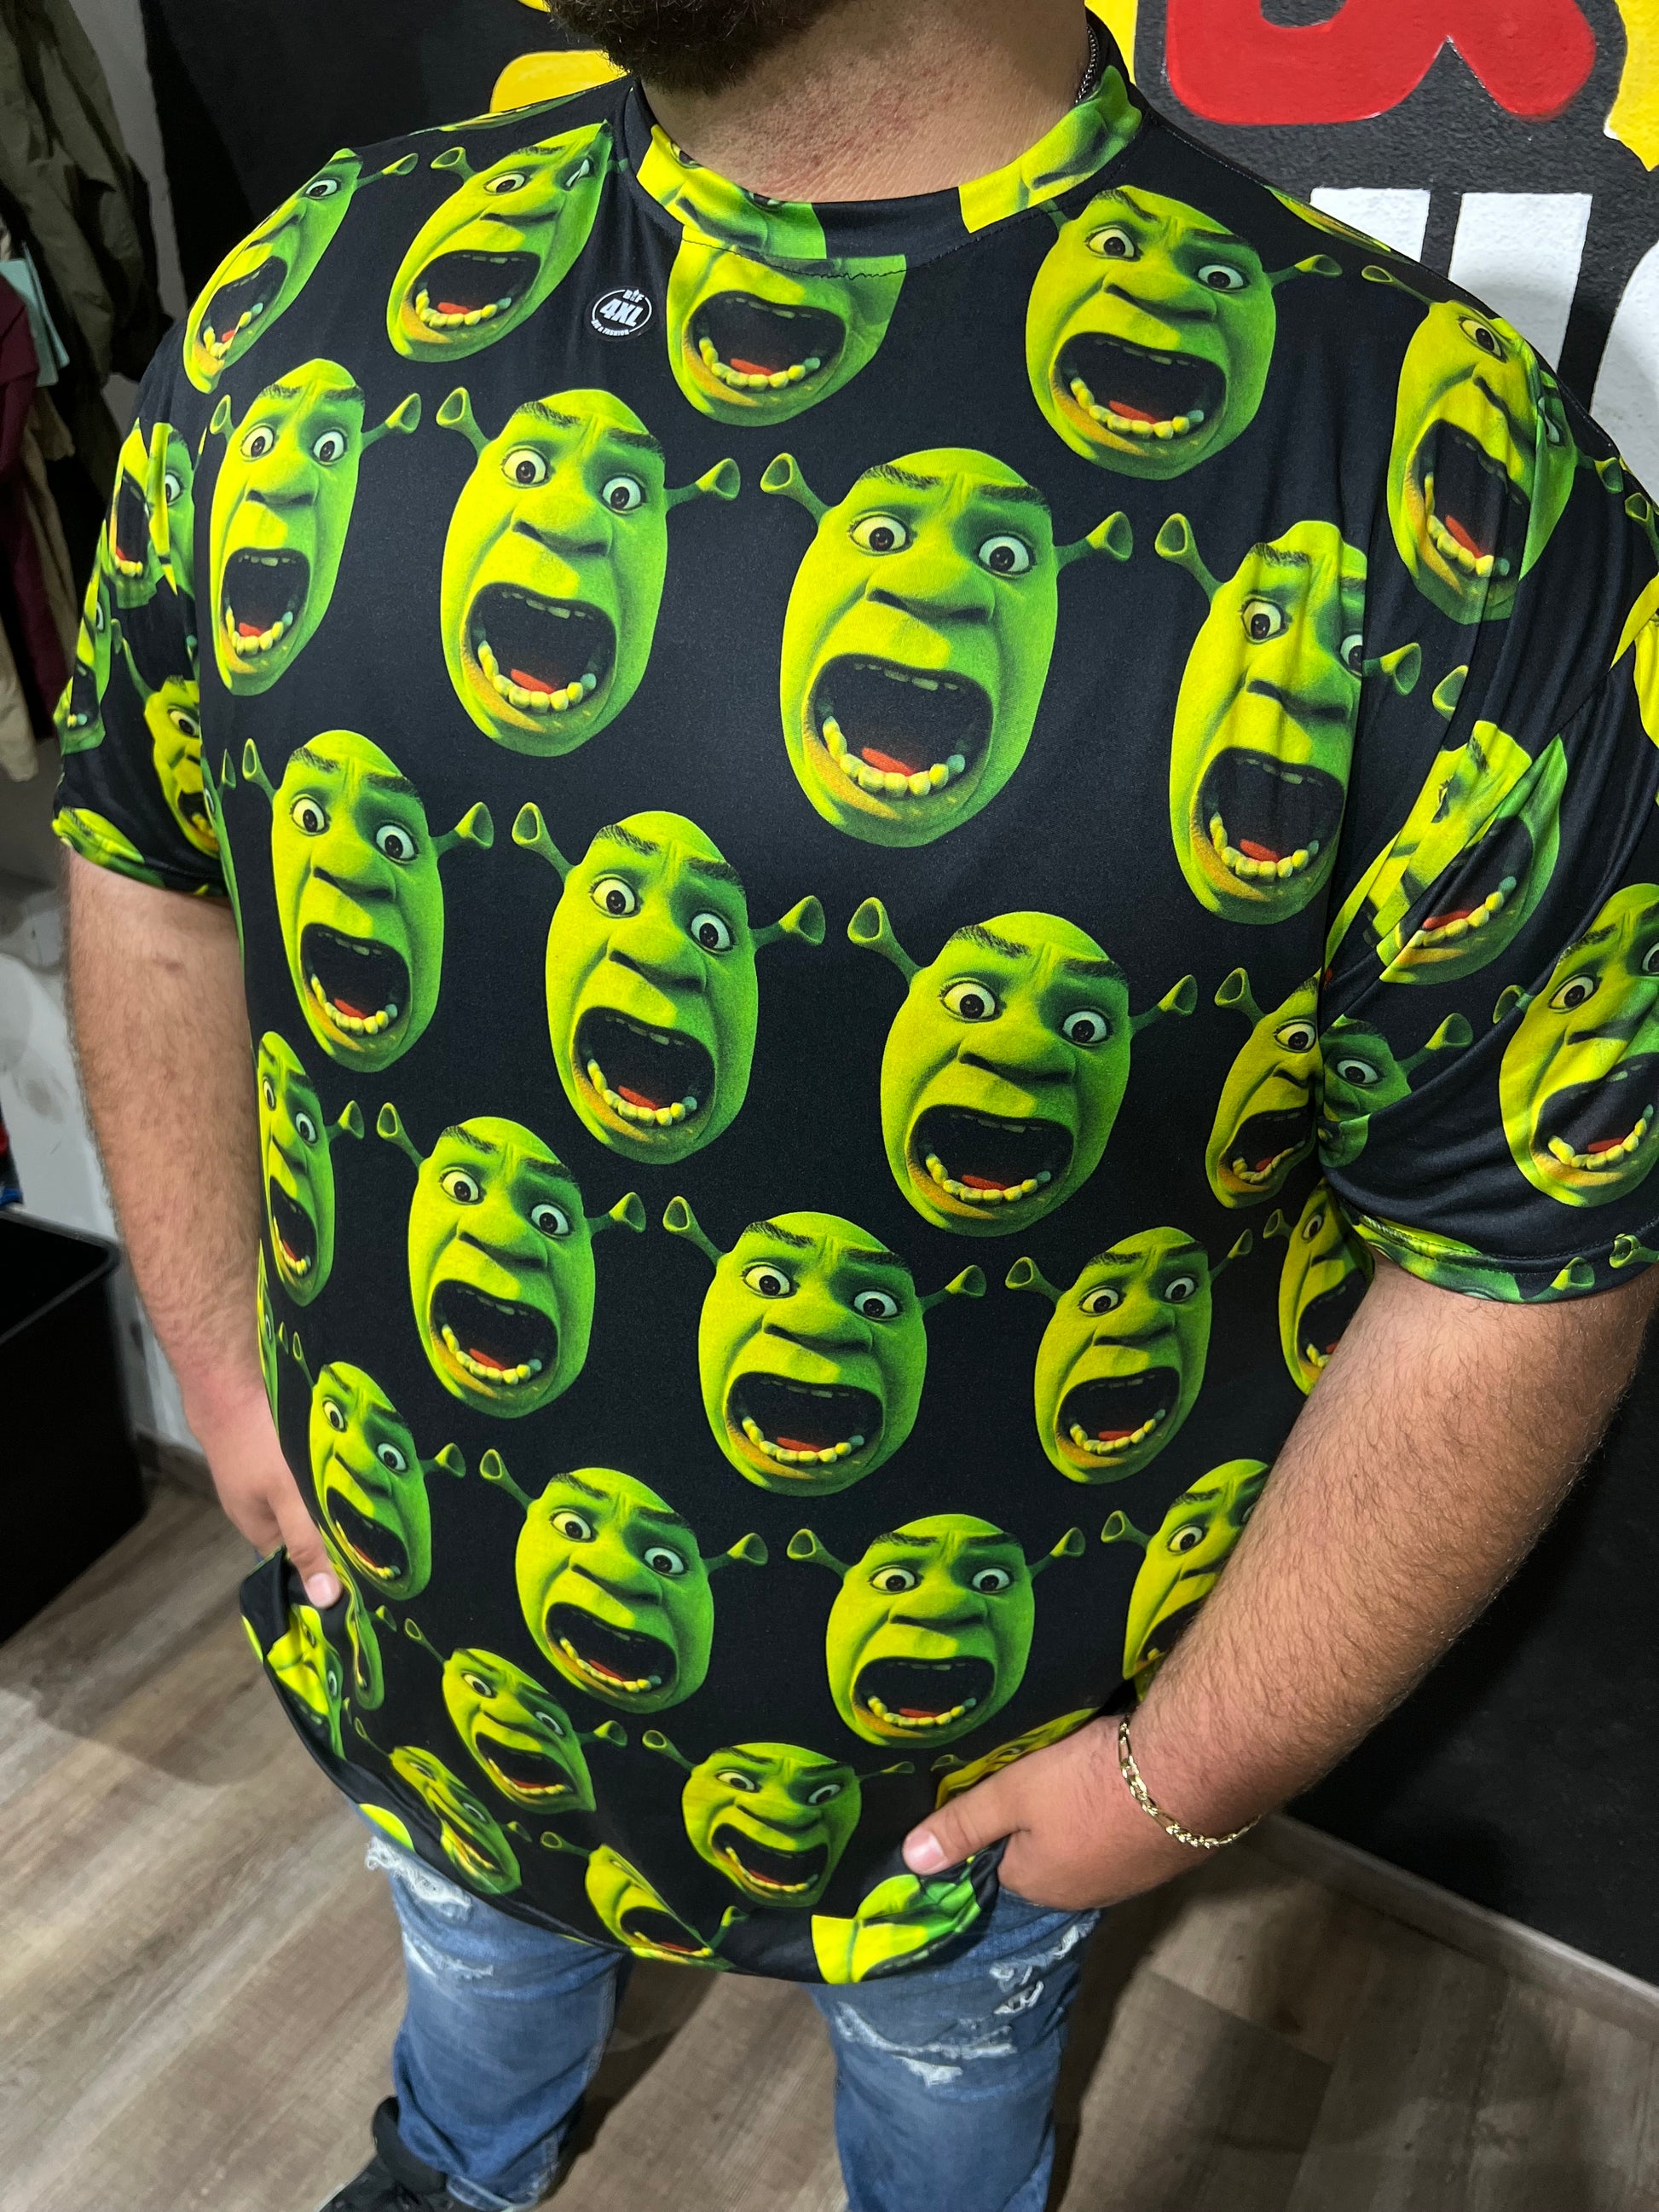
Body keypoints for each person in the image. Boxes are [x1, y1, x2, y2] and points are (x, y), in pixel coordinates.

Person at [56, 2, 1659, 2206]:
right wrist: (222, 1367)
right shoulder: (308, 302)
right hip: (419, 1659)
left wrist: (1175, 1783)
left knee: (944, 2107)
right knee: (469, 1982)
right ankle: (462, 2160)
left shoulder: (1429, 480)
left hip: (971, 1792)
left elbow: (1527, 1246)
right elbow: (144, 853)